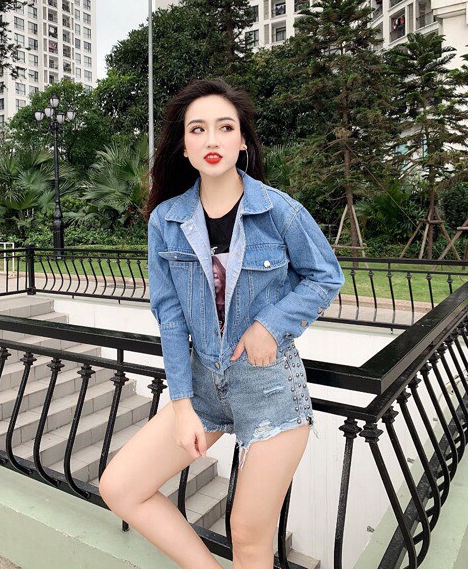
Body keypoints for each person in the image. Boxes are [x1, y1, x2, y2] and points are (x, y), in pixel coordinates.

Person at [99, 78, 345, 569]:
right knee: (120, 487)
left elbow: (325, 276)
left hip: (270, 388)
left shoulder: (279, 211)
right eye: (198, 129)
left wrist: (270, 325)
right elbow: (170, 315)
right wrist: (181, 404)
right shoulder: (166, 221)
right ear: (184, 147)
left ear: (242, 141)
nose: (212, 139)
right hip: (202, 388)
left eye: (225, 127)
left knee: (248, 537)